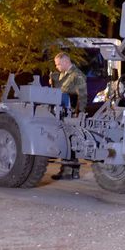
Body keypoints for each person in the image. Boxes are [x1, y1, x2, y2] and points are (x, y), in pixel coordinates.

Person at [50, 52, 88, 180]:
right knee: (69, 141)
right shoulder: (64, 74)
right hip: (62, 112)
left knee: (68, 141)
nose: (57, 67)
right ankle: (72, 172)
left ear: (66, 62)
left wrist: (80, 114)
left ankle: (68, 171)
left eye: (58, 64)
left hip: (71, 114)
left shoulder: (77, 75)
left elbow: (82, 96)